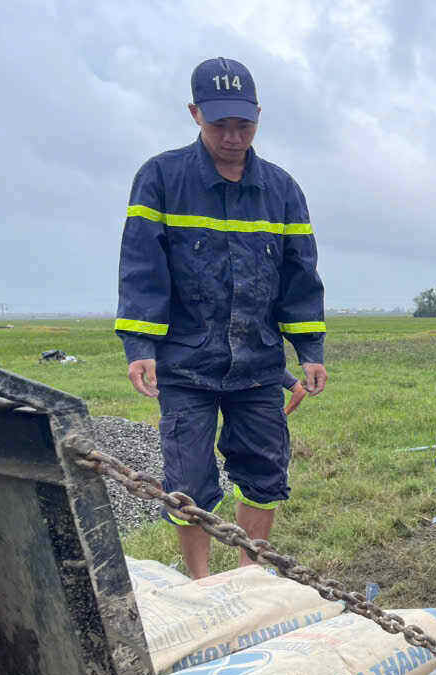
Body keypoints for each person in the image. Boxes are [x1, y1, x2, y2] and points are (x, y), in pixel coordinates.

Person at [114, 57, 327, 578]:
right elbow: (142, 267)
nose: (233, 137)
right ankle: (202, 584)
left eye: (244, 125)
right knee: (188, 476)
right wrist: (140, 348)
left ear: (258, 115)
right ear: (194, 114)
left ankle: (250, 575)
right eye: (219, 125)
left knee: (264, 470)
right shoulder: (160, 178)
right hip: (185, 363)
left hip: (257, 364)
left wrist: (310, 352)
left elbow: (300, 277)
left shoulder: (282, 190)